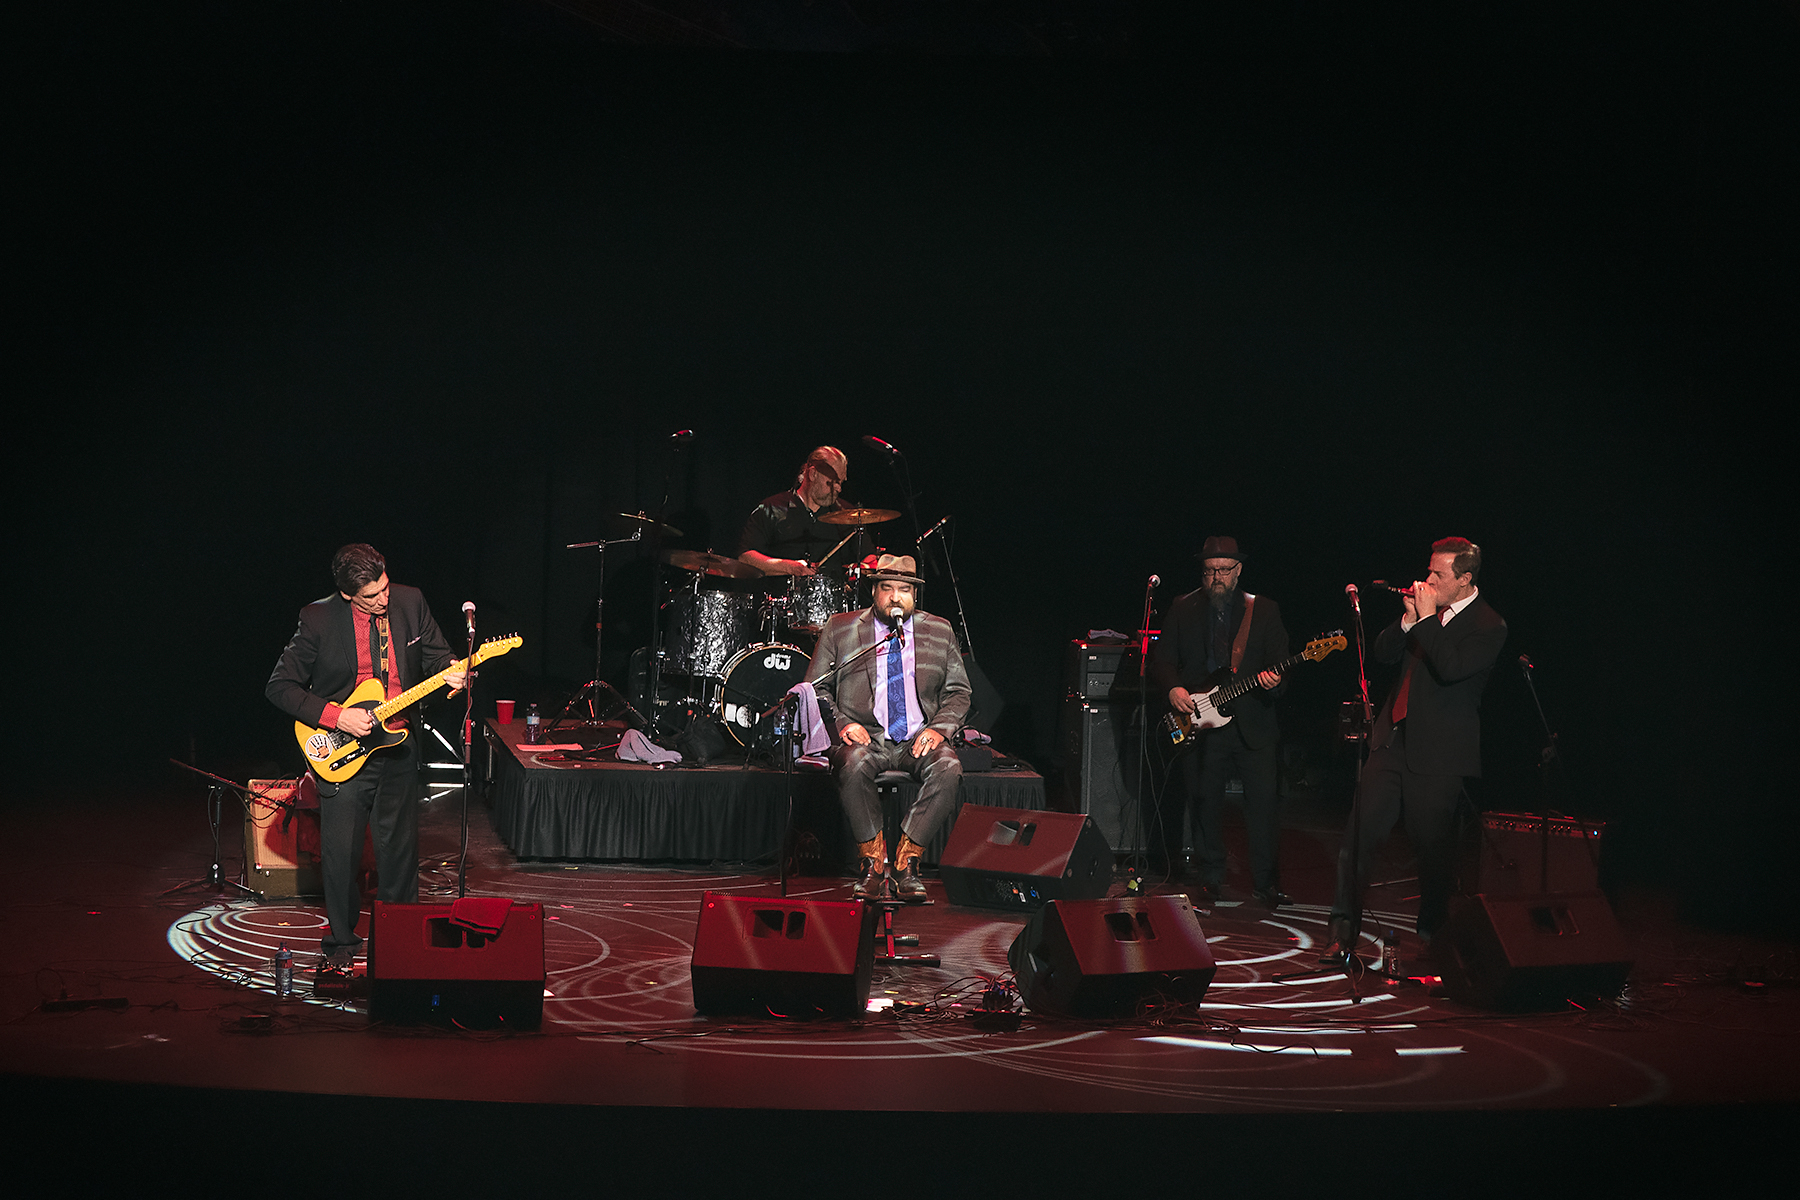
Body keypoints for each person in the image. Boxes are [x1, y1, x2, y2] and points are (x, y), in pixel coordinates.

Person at [266, 544, 465, 968]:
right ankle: (341, 943)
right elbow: (279, 687)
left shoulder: (410, 601)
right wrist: (337, 716)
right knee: (341, 855)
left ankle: (400, 942)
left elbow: (437, 656)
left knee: (400, 853)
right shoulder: (318, 618)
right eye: (371, 596)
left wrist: (452, 670)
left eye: (385, 587)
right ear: (347, 594)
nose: (383, 599)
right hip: (343, 748)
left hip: (398, 744)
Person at [1319, 537, 1507, 964]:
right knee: (1357, 837)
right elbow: (1382, 655)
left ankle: (1432, 938)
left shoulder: (1489, 624)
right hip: (1392, 742)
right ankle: (1341, 933)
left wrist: (1424, 621)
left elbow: (1452, 668)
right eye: (1429, 570)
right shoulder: (1425, 616)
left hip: (1439, 754)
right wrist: (1407, 622)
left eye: (1438, 574)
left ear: (1464, 579)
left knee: (1433, 852)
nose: (1428, 580)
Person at [805, 554, 971, 901]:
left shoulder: (939, 630)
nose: (896, 597)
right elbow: (815, 689)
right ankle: (872, 864)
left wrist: (939, 729)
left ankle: (907, 862)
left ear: (914, 594)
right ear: (874, 591)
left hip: (917, 738)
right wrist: (843, 723)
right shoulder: (841, 627)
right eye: (887, 588)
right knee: (853, 764)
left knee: (949, 767)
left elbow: (959, 692)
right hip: (866, 738)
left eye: (904, 589)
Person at [1147, 536, 1291, 907]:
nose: (1217, 578)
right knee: (1204, 801)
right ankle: (1211, 876)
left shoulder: (1264, 610)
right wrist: (1173, 689)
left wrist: (1275, 682)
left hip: (1254, 724)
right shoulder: (1183, 607)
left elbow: (1281, 663)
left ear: (1238, 571)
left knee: (1263, 805)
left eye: (1224, 570)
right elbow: (1162, 660)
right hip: (1204, 720)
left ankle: (1266, 882)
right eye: (1210, 571)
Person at [737, 446, 852, 576]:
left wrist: (863, 567)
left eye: (841, 482)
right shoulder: (772, 509)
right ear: (813, 474)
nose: (839, 489)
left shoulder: (848, 514)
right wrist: (790, 567)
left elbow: (867, 556)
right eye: (832, 482)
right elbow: (745, 558)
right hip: (780, 588)